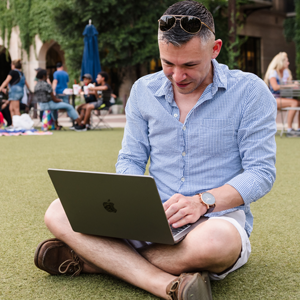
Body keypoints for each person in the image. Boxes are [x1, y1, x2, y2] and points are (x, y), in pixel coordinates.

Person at [34, 2, 277, 299]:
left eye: (189, 65)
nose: (177, 76)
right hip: (150, 217)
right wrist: (129, 202)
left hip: (214, 219)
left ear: (215, 49)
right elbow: (131, 159)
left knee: (217, 243)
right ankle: (163, 284)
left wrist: (203, 201)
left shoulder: (250, 91)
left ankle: (95, 261)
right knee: (57, 211)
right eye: (167, 64)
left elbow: (261, 172)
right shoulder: (143, 90)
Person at [264, 52, 300, 137]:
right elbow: (275, 87)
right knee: (294, 103)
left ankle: (298, 129)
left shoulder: (286, 73)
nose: (288, 63)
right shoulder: (273, 73)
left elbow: (287, 86)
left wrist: (294, 85)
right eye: (287, 61)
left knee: (298, 102)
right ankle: (289, 129)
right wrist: (291, 85)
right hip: (274, 99)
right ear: (281, 62)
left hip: (284, 98)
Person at [0, 59, 30, 127]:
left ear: (13, 65)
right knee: (11, 108)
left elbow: (6, 81)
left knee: (16, 109)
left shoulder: (12, 72)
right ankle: (13, 124)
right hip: (20, 92)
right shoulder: (22, 73)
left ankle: (19, 125)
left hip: (14, 92)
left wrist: (1, 88)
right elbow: (26, 84)